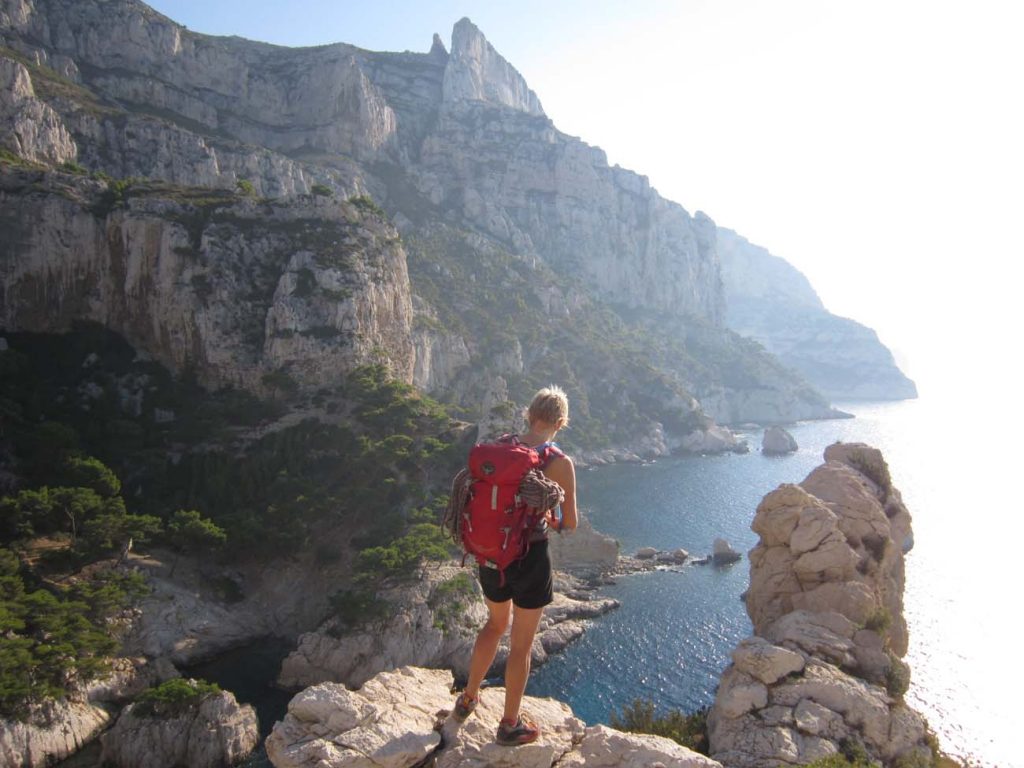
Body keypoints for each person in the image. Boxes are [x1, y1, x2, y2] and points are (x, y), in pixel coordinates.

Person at [452, 385, 578, 746]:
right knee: (521, 646)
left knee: (494, 625)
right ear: (561, 422)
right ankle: (509, 724)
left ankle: (467, 699)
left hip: (490, 554)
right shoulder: (558, 462)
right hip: (530, 558)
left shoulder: (501, 448)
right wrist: (550, 519)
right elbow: (569, 523)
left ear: (529, 415)